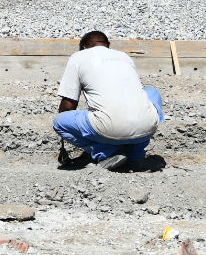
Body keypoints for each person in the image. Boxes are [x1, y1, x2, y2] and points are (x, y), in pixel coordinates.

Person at [53, 31, 164, 172]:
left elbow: (69, 103)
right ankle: (136, 156)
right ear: (107, 46)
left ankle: (107, 153)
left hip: (109, 129)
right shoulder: (124, 57)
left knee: (59, 122)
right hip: (147, 128)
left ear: (83, 47)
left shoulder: (79, 57)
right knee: (151, 91)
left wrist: (67, 123)